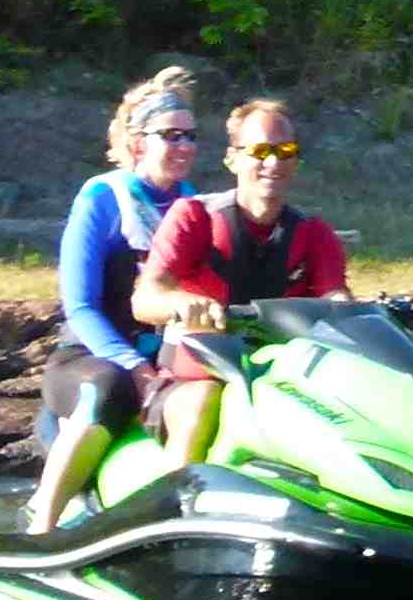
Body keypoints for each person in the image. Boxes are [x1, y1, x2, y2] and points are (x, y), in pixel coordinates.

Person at [24, 67, 208, 533]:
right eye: (171, 136)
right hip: (89, 359)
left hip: (166, 356)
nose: (185, 146)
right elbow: (80, 307)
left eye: (191, 136)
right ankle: (42, 525)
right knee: (110, 386)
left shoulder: (197, 207)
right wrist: (133, 366)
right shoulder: (102, 199)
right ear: (139, 142)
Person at [133, 100, 351, 471]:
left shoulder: (315, 233)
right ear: (232, 159)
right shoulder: (194, 217)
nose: (274, 162)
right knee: (203, 402)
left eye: (285, 151)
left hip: (280, 380)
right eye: (260, 151)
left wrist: (348, 308)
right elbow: (145, 299)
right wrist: (182, 303)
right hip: (193, 378)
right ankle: (174, 498)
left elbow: (335, 296)